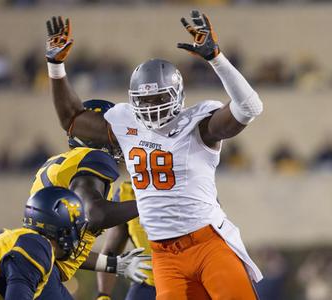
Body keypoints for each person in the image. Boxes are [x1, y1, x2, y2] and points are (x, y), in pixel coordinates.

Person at [45, 10, 263, 299]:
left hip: (209, 242)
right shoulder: (125, 123)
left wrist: (216, 59)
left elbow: (250, 107)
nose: (151, 107)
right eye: (144, 100)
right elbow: (72, 120)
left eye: (159, 98)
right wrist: (56, 66)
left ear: (177, 95)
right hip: (163, 253)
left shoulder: (198, 125)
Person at [29, 99, 151, 299]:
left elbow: (65, 248)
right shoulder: (91, 160)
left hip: (39, 268)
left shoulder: (66, 164)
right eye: (109, 130)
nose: (117, 139)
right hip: (42, 274)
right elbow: (96, 214)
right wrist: (152, 203)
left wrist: (113, 265)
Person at [97, 181, 156, 300]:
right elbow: (110, 252)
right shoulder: (127, 193)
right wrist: (103, 295)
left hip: (188, 280)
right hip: (148, 282)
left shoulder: (189, 185)